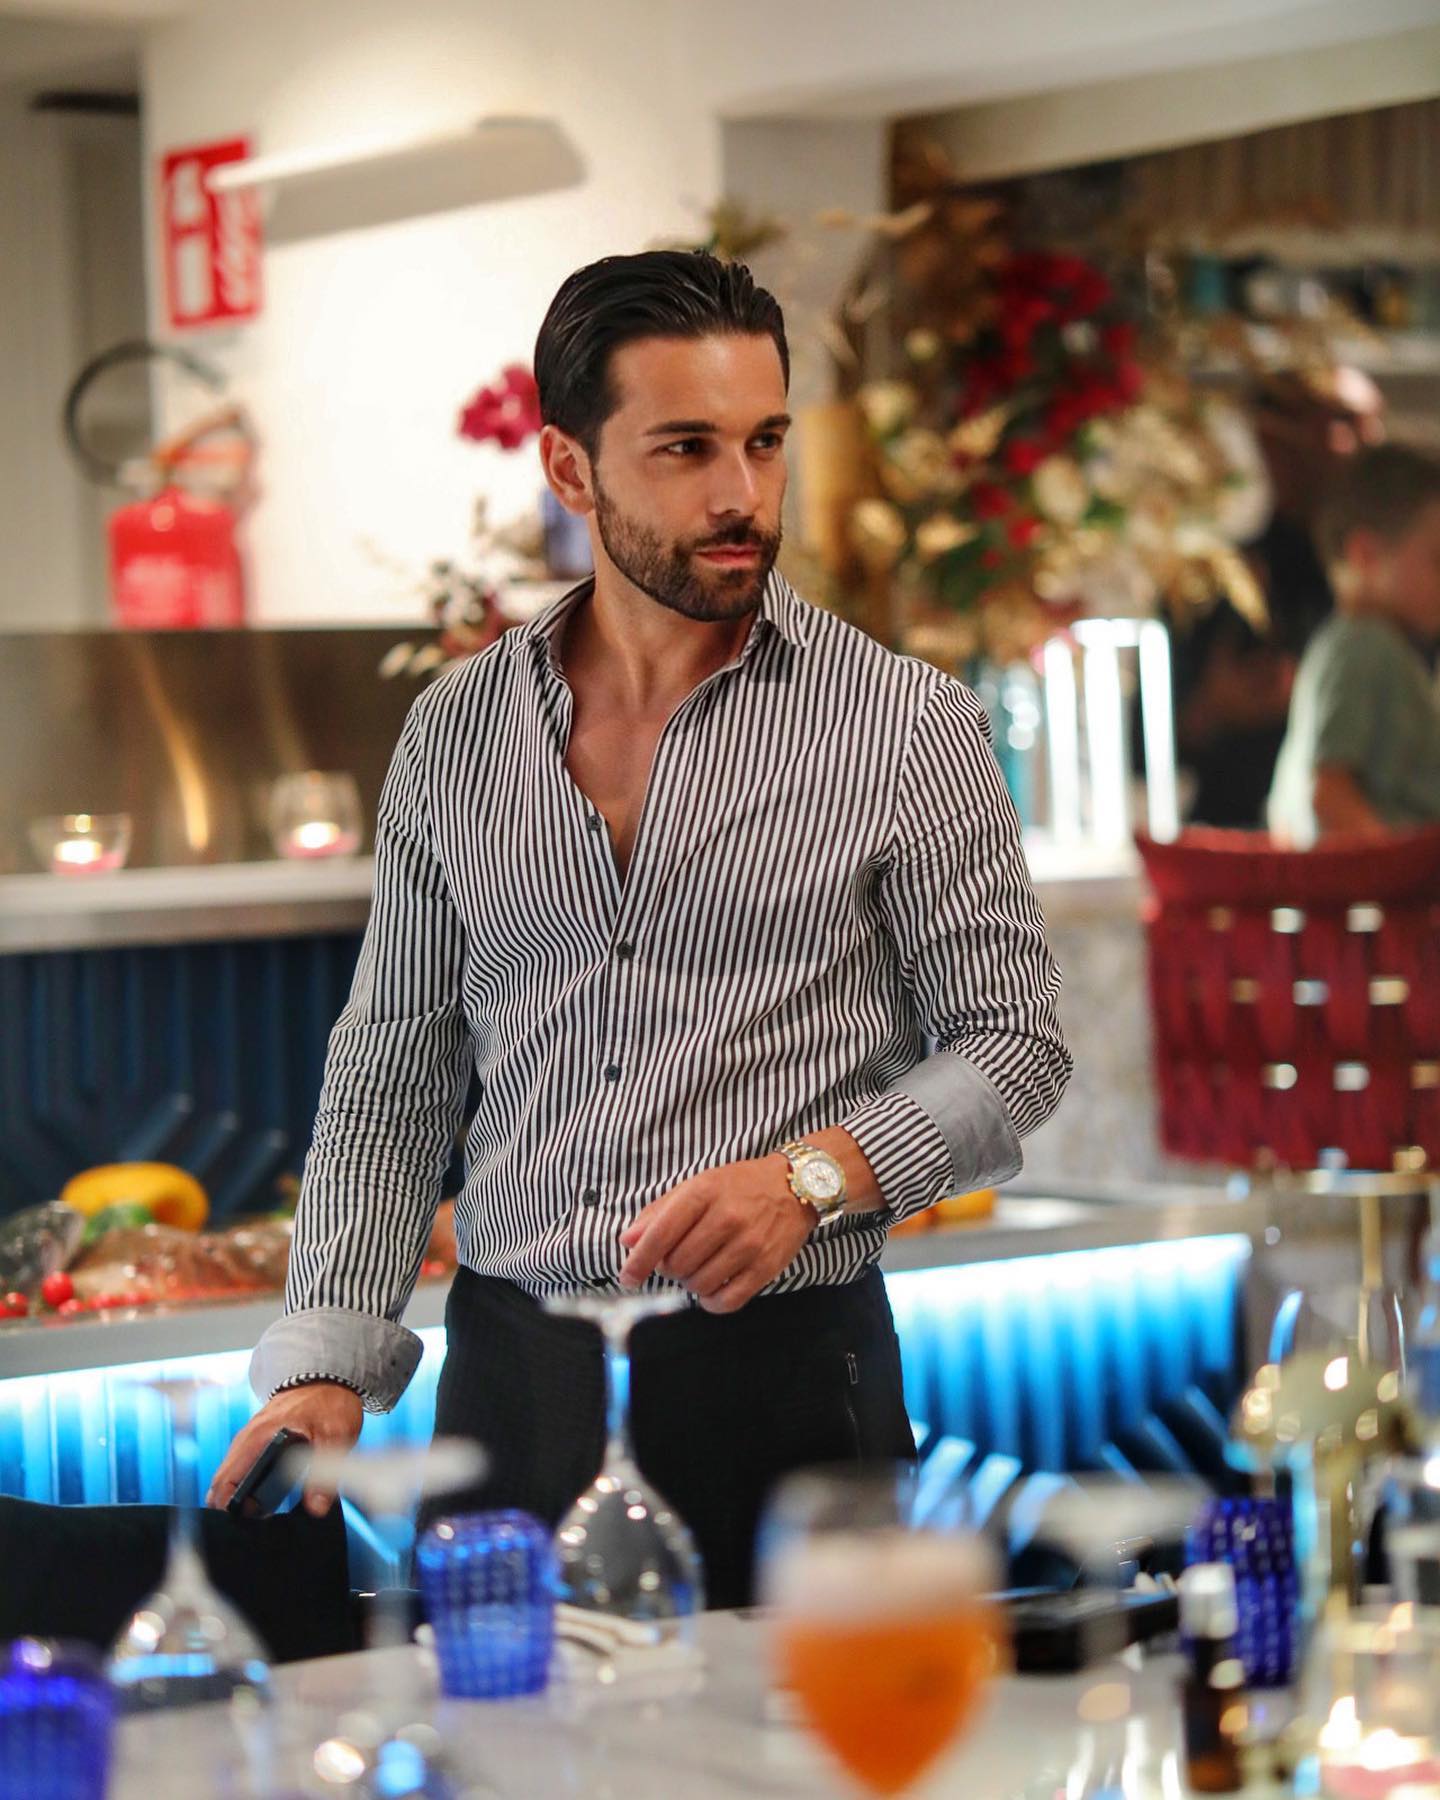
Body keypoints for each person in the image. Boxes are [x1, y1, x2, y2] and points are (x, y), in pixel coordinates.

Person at [207, 250, 1072, 1605]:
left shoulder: (908, 726)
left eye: (764, 441)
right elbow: (395, 1068)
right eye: (685, 448)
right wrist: (326, 1359)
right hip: (512, 1384)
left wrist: (814, 1178)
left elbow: (1015, 1045)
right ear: (570, 467)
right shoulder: (453, 735)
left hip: (786, 1385)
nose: (741, 494)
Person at [1172, 369, 1385, 828]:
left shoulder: (1404, 573)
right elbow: (1138, 743)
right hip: (1241, 837)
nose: (1372, 444)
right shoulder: (1216, 576)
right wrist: (1211, 708)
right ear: (1274, 443)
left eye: (1373, 424)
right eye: (1344, 423)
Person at [1268, 442, 1440, 846]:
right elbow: (1330, 794)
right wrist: (1398, 869)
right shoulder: (1368, 645)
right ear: (1365, 555)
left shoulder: (1341, 645)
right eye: (1438, 560)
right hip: (1389, 883)